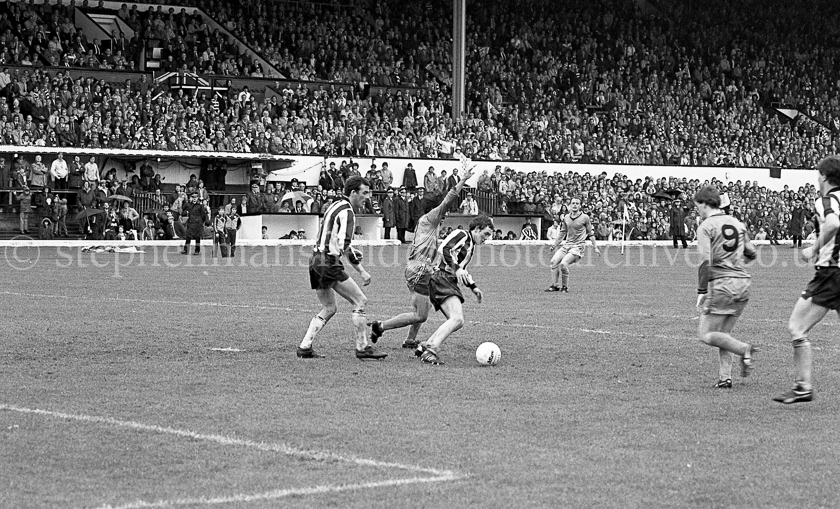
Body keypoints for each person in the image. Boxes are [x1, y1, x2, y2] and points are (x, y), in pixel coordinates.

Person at [369, 165, 475, 349]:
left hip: (419, 269)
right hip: (419, 270)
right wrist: (463, 180)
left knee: (420, 309)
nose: (446, 212)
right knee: (421, 315)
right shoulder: (430, 218)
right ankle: (380, 327)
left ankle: (410, 340)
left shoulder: (429, 223)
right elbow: (448, 200)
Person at [774, 156, 840, 404]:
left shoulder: (826, 200)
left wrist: (813, 249)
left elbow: (833, 223)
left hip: (830, 274)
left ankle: (803, 386)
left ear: (823, 176)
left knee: (797, 327)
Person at [298, 176, 387, 360]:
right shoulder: (348, 212)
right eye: (364, 193)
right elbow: (343, 245)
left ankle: (305, 346)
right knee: (360, 300)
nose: (367, 197)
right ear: (353, 192)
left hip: (315, 259)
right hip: (328, 261)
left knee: (329, 307)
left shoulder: (334, 205)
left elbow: (334, 239)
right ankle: (362, 347)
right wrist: (361, 270)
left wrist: (350, 250)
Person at [694, 185, 759, 389]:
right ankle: (725, 378)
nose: (697, 210)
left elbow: (705, 261)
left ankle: (744, 349)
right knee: (723, 335)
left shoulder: (706, 226)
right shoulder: (737, 223)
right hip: (743, 283)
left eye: (698, 206)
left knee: (705, 334)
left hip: (723, 284)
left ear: (705, 204)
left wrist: (702, 291)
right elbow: (751, 252)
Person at [414, 214, 495, 365]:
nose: (486, 239)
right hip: (442, 278)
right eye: (486, 234)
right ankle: (430, 350)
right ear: (476, 229)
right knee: (457, 319)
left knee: (456, 320)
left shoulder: (470, 246)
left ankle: (424, 346)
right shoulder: (463, 234)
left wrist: (473, 287)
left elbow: (462, 270)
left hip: (444, 280)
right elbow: (444, 248)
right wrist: (456, 269)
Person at [545, 198, 600, 293]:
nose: (575, 205)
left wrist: (595, 247)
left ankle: (565, 287)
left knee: (563, 264)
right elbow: (562, 232)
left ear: (580, 206)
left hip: (578, 247)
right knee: (553, 262)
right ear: (570, 205)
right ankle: (555, 286)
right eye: (573, 203)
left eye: (577, 203)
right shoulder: (566, 217)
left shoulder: (585, 217)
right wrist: (555, 244)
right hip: (567, 245)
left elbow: (590, 233)